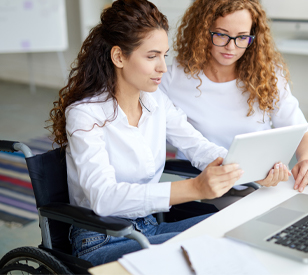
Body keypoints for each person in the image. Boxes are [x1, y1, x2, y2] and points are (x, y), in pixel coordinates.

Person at [47, 0, 248, 266]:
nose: (163, 67)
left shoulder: (156, 103)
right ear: (119, 57)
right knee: (213, 250)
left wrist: (251, 166)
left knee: (240, 228)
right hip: (102, 239)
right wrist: (193, 188)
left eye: (164, 55)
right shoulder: (85, 114)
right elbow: (103, 198)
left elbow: (200, 148)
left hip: (149, 228)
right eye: (152, 56)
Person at [160, 0, 308, 193]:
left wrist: (305, 159)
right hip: (202, 189)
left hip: (261, 185)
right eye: (221, 35)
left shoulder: (268, 76)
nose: (231, 47)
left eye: (242, 37)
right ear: (203, 32)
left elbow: (298, 129)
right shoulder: (173, 79)